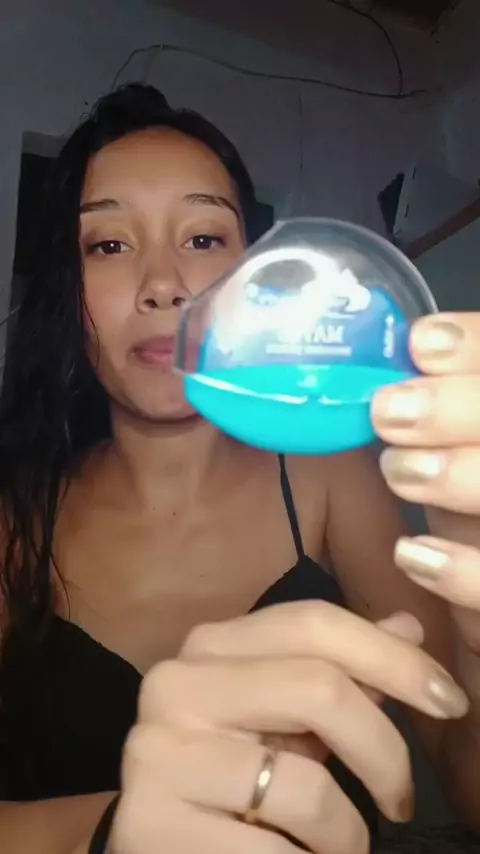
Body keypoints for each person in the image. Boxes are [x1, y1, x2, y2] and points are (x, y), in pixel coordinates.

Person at [0, 82, 480, 854]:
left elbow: (464, 766)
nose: (163, 286)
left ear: (255, 278)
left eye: (202, 239)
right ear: (66, 284)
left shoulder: (328, 473)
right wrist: (110, 832)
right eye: (109, 245)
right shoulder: (15, 522)